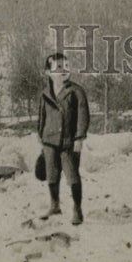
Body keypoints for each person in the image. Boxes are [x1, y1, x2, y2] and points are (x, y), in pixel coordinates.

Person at [37, 53, 90, 225]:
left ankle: (77, 209)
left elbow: (83, 116)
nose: (63, 70)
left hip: (69, 142)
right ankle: (54, 205)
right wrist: (41, 136)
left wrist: (79, 138)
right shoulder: (45, 93)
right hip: (49, 141)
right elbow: (42, 117)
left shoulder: (76, 92)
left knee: (72, 176)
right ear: (48, 72)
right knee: (52, 175)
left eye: (66, 66)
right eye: (58, 67)